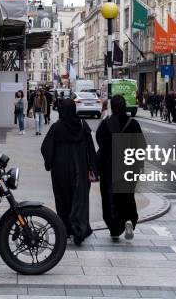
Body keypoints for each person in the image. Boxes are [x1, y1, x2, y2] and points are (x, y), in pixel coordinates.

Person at [41, 99, 97, 245]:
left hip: (60, 169)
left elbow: (45, 147)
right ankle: (79, 228)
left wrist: (50, 163)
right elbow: (90, 148)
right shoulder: (82, 125)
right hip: (80, 167)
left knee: (62, 198)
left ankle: (65, 229)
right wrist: (93, 168)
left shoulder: (57, 127)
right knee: (80, 199)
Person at [96, 95, 143, 241]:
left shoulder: (106, 124)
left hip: (110, 167)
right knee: (127, 195)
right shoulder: (133, 123)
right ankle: (129, 220)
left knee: (110, 197)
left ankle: (114, 227)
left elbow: (100, 143)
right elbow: (141, 145)